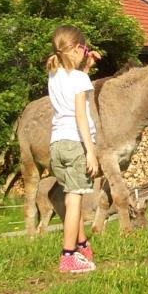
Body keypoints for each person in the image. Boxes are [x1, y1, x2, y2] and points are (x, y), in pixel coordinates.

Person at [46, 25, 102, 273]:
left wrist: (86, 66)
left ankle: (81, 244)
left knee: (72, 200)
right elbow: (80, 114)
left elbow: (70, 89)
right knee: (75, 198)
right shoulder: (80, 79)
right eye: (85, 48)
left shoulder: (53, 73)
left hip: (56, 144)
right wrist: (90, 151)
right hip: (75, 143)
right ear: (79, 48)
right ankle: (68, 256)